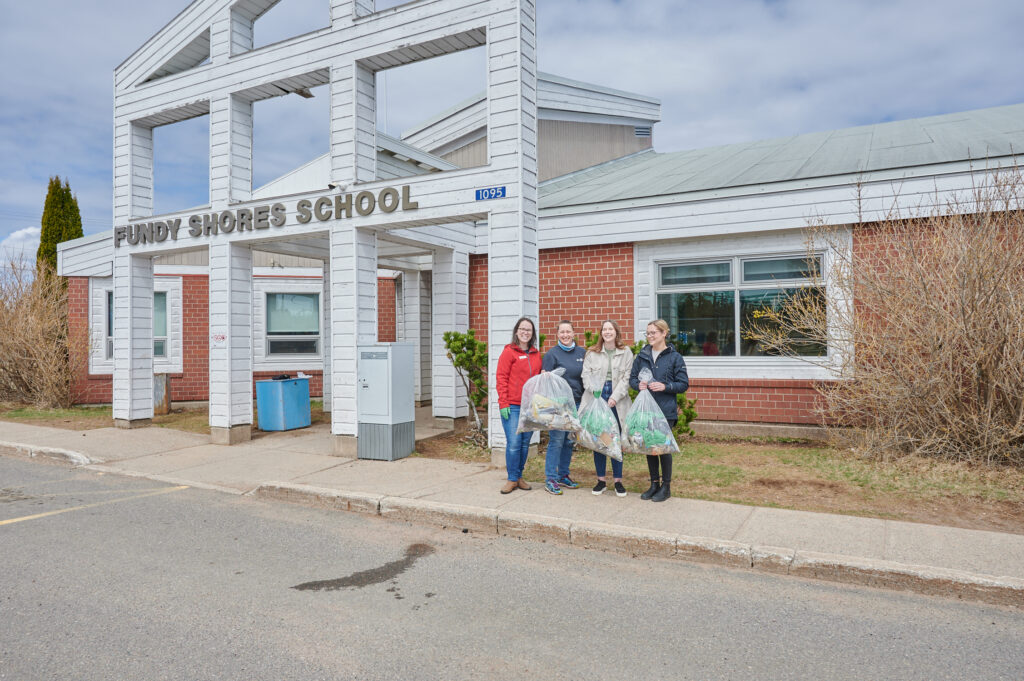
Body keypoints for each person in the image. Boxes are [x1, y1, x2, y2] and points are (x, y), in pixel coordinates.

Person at [629, 319, 689, 502]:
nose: (650, 336)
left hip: (665, 410)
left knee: (663, 448)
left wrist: (665, 386)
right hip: (646, 410)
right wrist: (637, 385)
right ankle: (654, 483)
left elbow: (683, 384)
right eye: (648, 333)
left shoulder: (674, 357)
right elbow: (632, 379)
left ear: (664, 333)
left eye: (653, 332)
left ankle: (666, 487)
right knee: (649, 448)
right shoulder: (642, 356)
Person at [581, 320, 634, 497]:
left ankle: (618, 481)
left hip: (617, 399)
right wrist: (594, 391)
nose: (607, 332)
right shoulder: (592, 353)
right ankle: (601, 481)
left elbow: (627, 378)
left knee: (615, 438)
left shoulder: (626, 352)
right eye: (604, 329)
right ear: (601, 333)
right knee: (600, 437)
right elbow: (585, 375)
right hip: (596, 397)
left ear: (616, 332)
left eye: (610, 329)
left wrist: (614, 397)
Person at [496, 317, 542, 494]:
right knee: (514, 443)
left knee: (524, 444)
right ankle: (511, 479)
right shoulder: (509, 352)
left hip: (529, 407)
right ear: (516, 331)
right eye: (522, 329)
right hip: (513, 406)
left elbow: (538, 378)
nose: (525, 332)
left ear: (532, 334)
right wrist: (503, 402)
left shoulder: (536, 354)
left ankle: (519, 476)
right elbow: (501, 377)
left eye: (528, 330)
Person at [540, 320, 586, 495]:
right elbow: (546, 383)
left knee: (569, 441)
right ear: (557, 334)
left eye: (568, 332)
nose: (565, 335)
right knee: (557, 440)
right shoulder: (552, 355)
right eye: (562, 332)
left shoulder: (582, 353)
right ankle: (550, 478)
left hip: (577, 403)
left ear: (574, 333)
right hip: (558, 406)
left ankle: (563, 475)